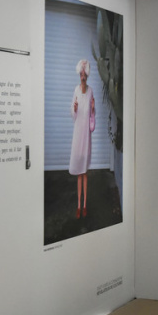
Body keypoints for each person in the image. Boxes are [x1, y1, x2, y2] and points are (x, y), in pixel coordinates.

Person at [69, 59, 96, 218]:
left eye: (85, 74)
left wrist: (93, 108)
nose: (83, 77)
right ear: (79, 75)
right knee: (79, 173)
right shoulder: (76, 90)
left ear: (87, 76)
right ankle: (78, 205)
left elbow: (92, 116)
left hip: (86, 136)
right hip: (77, 134)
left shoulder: (91, 91)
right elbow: (73, 113)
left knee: (84, 172)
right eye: (81, 74)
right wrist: (74, 109)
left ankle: (85, 205)